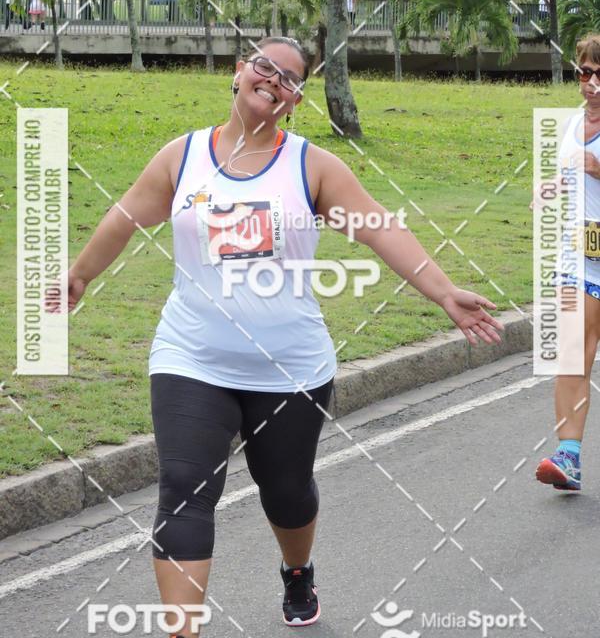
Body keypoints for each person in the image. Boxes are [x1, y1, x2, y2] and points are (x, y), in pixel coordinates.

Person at [60, 36, 504, 637]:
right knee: (184, 492)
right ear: (239, 72)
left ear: (294, 102)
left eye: (290, 79)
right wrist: (79, 275)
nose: (274, 80)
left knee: (287, 491)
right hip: (190, 357)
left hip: (290, 367)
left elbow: (380, 228)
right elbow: (124, 217)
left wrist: (444, 291)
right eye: (265, 66)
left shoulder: (312, 167)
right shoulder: (181, 157)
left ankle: (298, 571)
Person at [536, 35, 600, 492]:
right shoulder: (571, 123)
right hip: (579, 255)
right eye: (584, 73)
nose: (591, 83)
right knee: (572, 351)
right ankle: (569, 456)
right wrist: (550, 192)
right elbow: (565, 176)